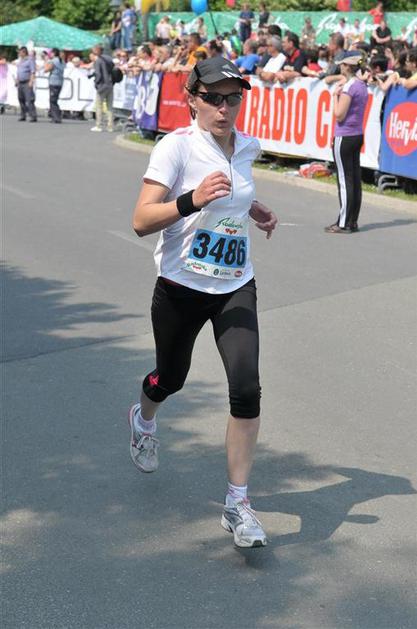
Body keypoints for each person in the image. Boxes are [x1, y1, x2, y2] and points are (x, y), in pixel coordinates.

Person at [129, 55, 277, 548]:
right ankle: (143, 418)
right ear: (192, 99)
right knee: (169, 378)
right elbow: (141, 220)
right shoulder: (176, 147)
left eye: (233, 98)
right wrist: (192, 199)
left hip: (235, 285)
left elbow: (229, 192)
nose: (223, 108)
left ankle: (238, 504)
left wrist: (250, 207)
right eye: (212, 98)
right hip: (180, 287)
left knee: (247, 388)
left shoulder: (247, 147)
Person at [325, 52, 369, 234]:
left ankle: (343, 223)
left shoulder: (350, 86)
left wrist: (335, 96)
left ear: (347, 66)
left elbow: (339, 114)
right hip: (357, 134)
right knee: (355, 179)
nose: (340, 67)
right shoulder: (362, 85)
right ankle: (352, 221)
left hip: (345, 136)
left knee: (344, 180)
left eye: (342, 64)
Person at [90, 45, 114, 133]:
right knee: (110, 106)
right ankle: (110, 126)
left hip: (102, 85)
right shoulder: (109, 59)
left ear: (97, 51)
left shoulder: (98, 61)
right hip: (110, 83)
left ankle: (98, 125)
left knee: (99, 106)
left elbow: (98, 74)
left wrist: (96, 83)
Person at [15, 46, 37, 122]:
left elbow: (33, 71)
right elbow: (19, 71)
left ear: (24, 52)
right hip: (20, 82)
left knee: (29, 100)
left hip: (27, 82)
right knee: (21, 99)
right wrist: (17, 80)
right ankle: (23, 115)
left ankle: (33, 116)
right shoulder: (20, 61)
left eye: (20, 52)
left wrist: (31, 81)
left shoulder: (30, 60)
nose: (19, 53)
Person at [44, 48, 65, 124]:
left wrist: (46, 61)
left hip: (54, 82)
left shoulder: (54, 61)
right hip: (60, 82)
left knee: (53, 101)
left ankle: (56, 117)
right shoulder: (62, 61)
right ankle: (56, 116)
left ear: (54, 53)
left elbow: (47, 69)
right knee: (55, 99)